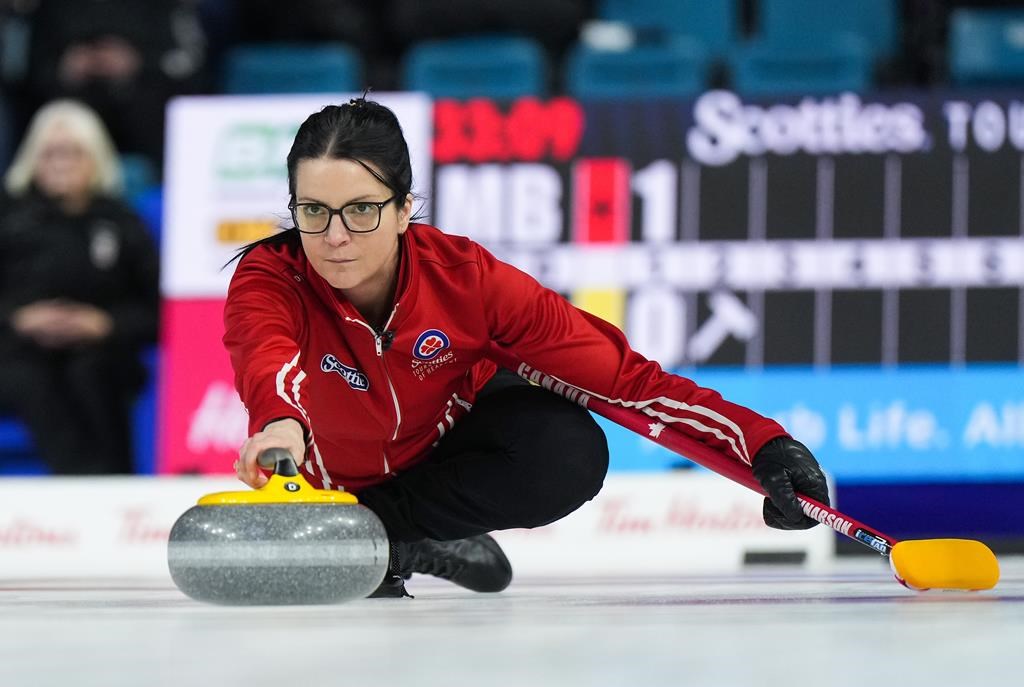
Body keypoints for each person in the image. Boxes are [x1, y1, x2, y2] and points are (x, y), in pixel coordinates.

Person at [225, 98, 830, 598]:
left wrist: (765, 444)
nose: (334, 237)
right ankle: (385, 540)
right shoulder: (270, 277)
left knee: (566, 450)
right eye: (313, 211)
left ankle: (395, 537)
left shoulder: (470, 281)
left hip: (425, 471)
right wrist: (279, 426)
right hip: (321, 498)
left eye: (361, 210)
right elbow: (268, 361)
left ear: (406, 209)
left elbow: (626, 382)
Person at [0, 100, 159, 474]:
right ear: (31, 160)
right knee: (30, 377)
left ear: (96, 158)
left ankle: (112, 485)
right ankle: (80, 490)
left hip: (103, 349)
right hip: (16, 349)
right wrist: (20, 318)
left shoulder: (122, 222)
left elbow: (155, 309)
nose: (61, 162)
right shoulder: (8, 220)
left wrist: (104, 324)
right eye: (50, 153)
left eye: (73, 153)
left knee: (91, 371)